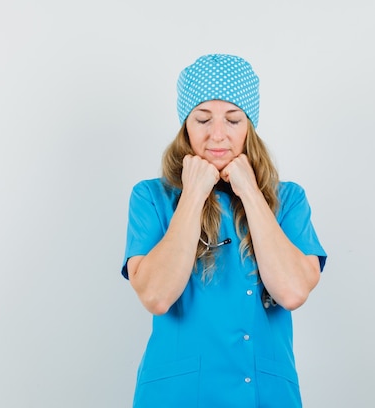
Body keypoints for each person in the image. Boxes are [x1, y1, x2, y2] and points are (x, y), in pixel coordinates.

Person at [121, 53, 327, 407]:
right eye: (202, 119)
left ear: (249, 126)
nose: (218, 134)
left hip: (264, 395)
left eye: (233, 120)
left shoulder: (288, 199)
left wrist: (249, 190)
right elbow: (156, 295)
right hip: (177, 396)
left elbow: (292, 292)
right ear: (185, 125)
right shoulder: (152, 197)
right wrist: (194, 193)